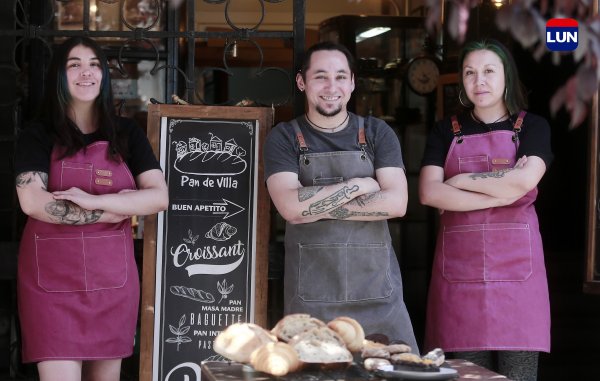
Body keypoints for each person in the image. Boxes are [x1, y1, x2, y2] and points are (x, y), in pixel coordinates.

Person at [14, 36, 169, 381]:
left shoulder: (127, 134)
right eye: (74, 65)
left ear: (104, 76)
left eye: (94, 65)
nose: (86, 73)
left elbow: (158, 197)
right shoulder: (38, 134)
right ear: (59, 76)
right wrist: (114, 210)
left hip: (111, 284)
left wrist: (94, 201)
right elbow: (32, 201)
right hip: (50, 285)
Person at [263, 41, 418, 351]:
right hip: (312, 306)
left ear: (352, 83)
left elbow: (397, 204)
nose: (331, 86)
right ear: (301, 82)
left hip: (379, 300)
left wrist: (313, 205)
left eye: (340, 76)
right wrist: (361, 185)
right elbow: (291, 209)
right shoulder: (283, 137)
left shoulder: (378, 133)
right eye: (320, 76)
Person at [418, 39, 552, 381]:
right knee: (468, 375)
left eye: (489, 71)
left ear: (507, 76)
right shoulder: (445, 131)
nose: (480, 81)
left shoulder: (533, 127)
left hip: (519, 276)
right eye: (470, 73)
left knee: (519, 376)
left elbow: (526, 181)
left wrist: (461, 181)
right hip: (460, 276)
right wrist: (504, 189)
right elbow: (430, 192)